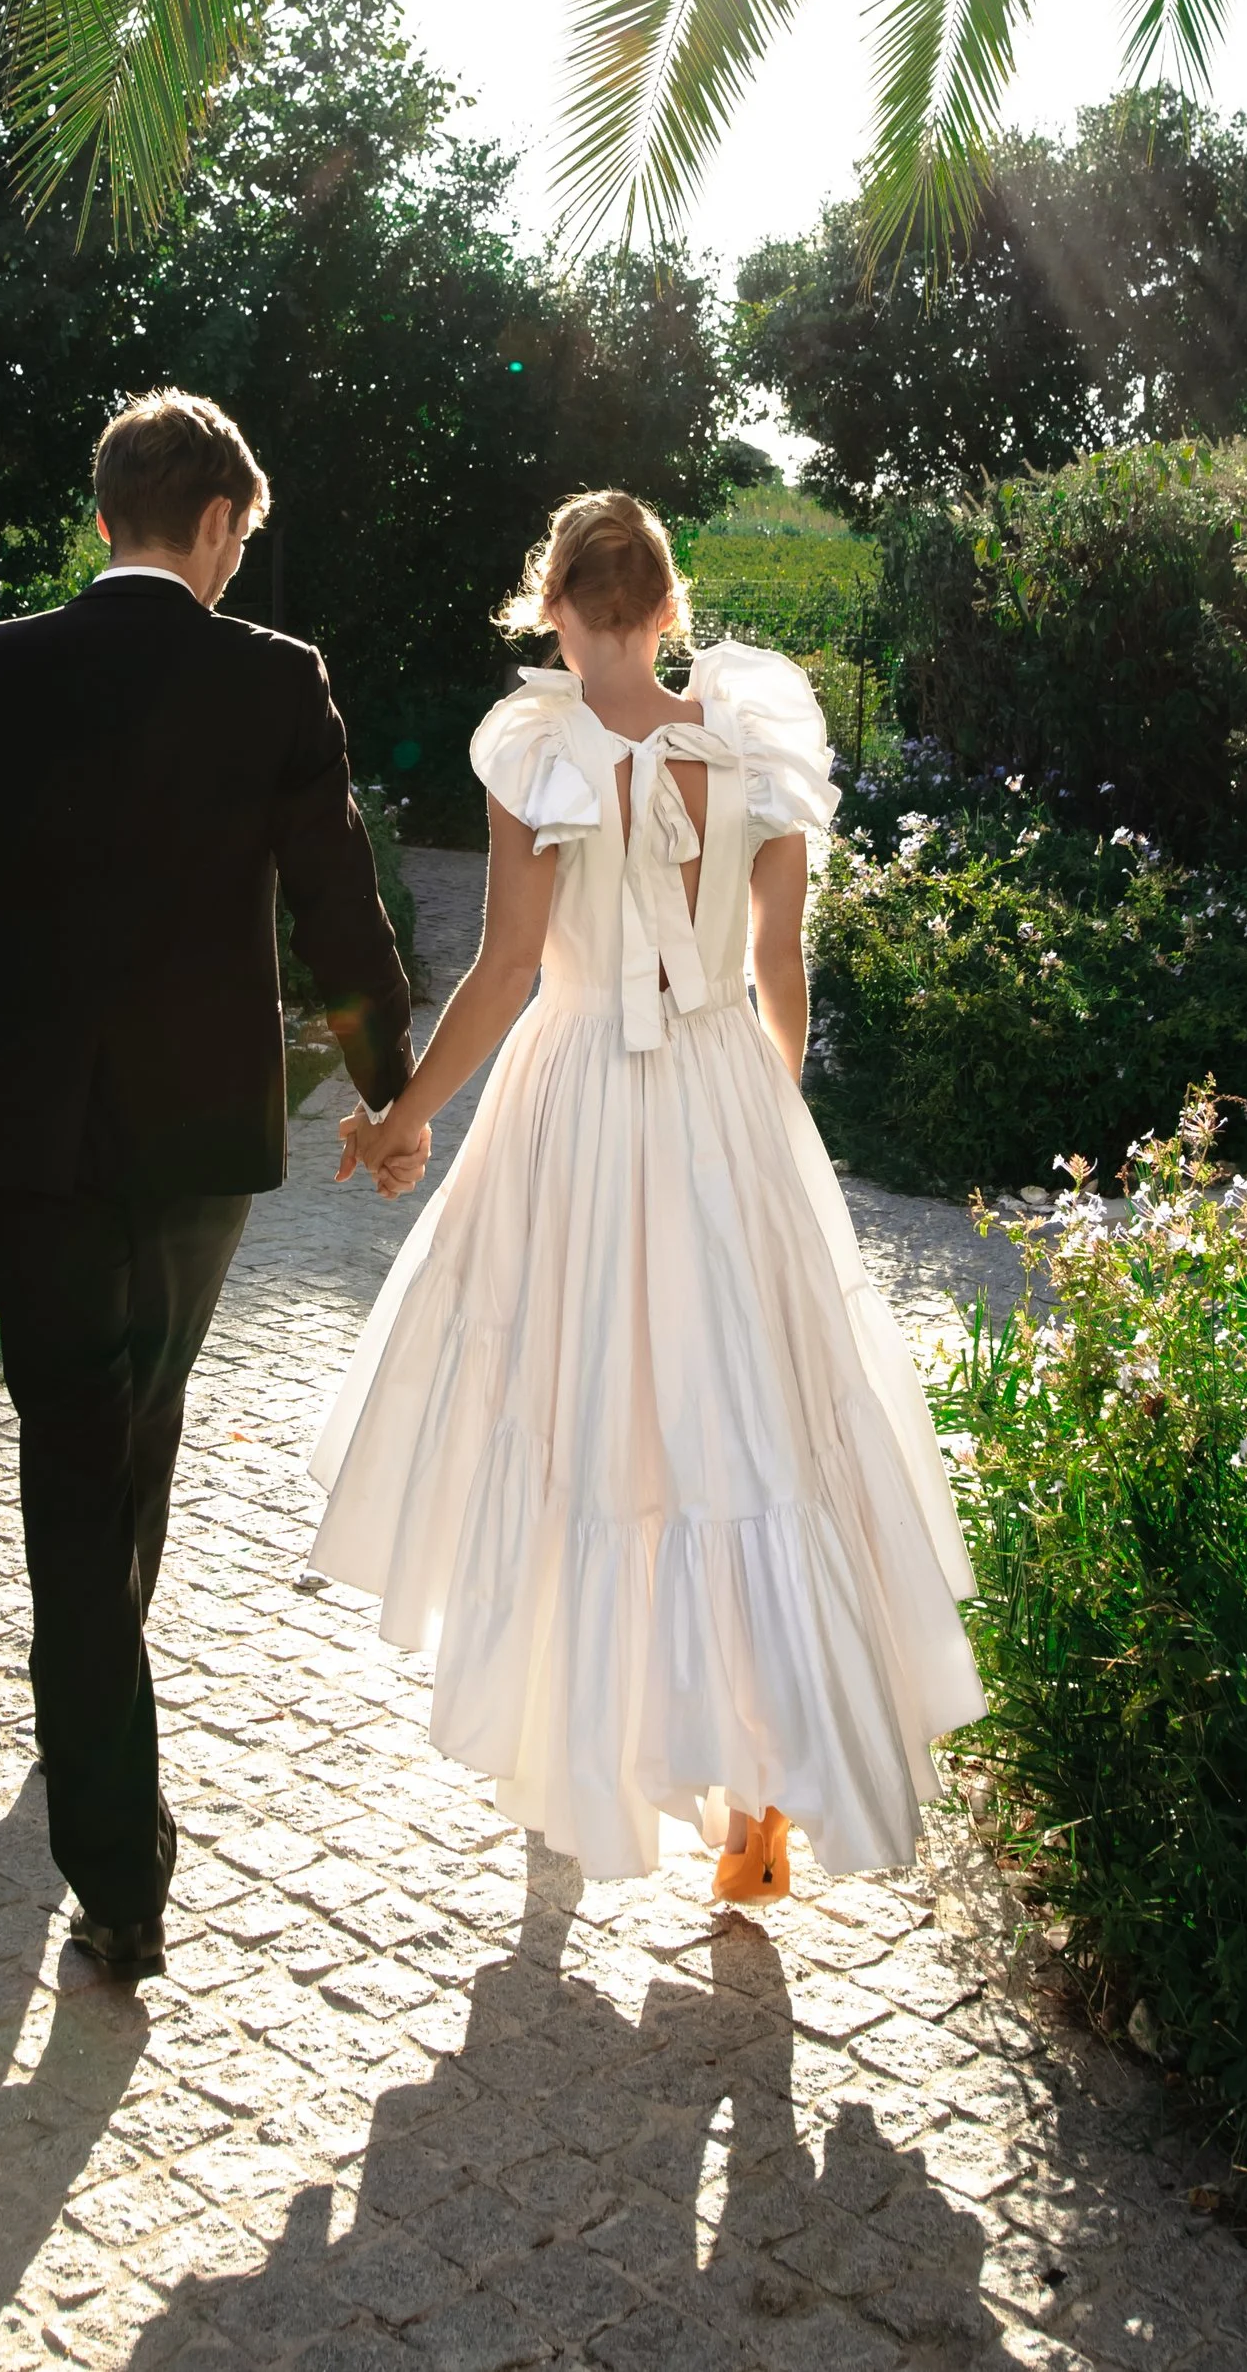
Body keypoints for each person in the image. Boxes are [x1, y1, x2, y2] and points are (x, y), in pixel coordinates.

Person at [308, 488, 983, 1899]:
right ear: (670, 607)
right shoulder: (756, 740)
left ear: (551, 602)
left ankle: (579, 1740)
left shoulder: (534, 748)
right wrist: (762, 1119)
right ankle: (765, 1784)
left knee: (583, 1414)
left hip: (576, 1109)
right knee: (753, 1425)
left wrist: (399, 1118)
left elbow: (504, 971)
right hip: (725, 1089)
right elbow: (781, 962)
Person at [0, 390, 420, 1979]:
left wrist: (19, 1031)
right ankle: (119, 1852)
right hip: (196, 1140)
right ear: (207, 521)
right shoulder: (274, 680)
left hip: (24, 1134)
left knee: (81, 1430)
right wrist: (389, 1089)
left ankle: (89, 1730)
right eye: (241, 534)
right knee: (133, 1420)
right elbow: (339, 910)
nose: (241, 561)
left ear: (110, 509)